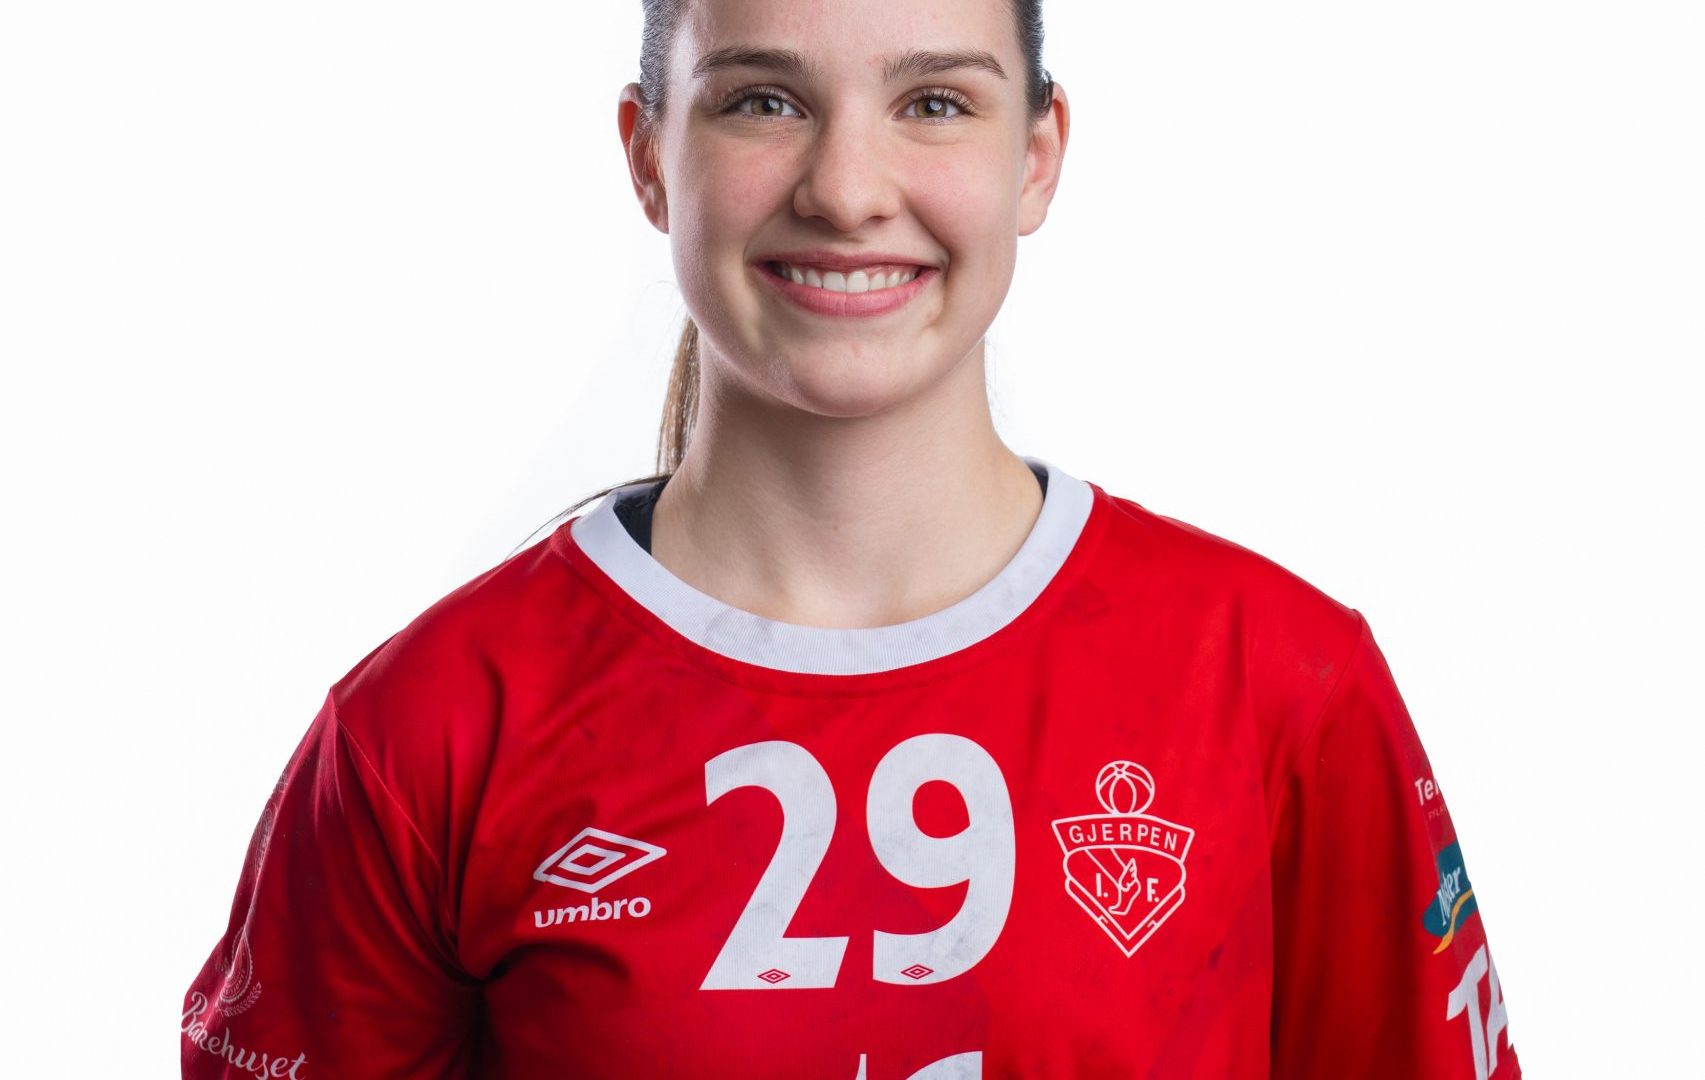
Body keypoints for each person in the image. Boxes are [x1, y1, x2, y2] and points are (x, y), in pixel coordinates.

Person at [181, 1, 1524, 1076]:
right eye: (763, 100)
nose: (845, 189)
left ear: (1037, 155)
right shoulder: (424, 732)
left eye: (934, 101)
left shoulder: (1278, 681)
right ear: (648, 154)